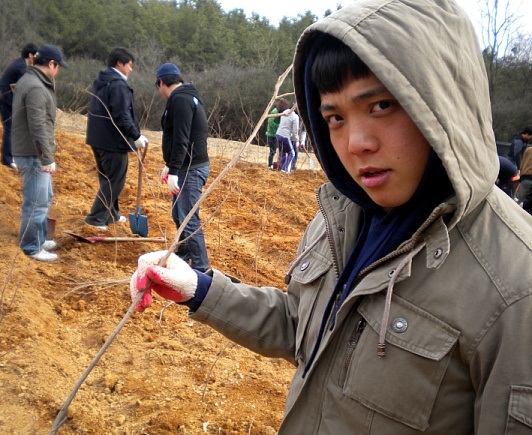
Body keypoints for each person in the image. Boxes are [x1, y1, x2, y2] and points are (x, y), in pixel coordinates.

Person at [129, 1, 532, 433]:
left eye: (381, 105)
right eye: (335, 117)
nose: (355, 142)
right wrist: (199, 288)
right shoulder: (340, 217)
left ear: (444, 103)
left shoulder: (516, 286)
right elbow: (302, 326)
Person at [12, 45, 68, 262]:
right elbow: (37, 126)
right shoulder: (35, 86)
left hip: (31, 150)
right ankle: (31, 246)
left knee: (44, 196)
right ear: (51, 64)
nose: (58, 71)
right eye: (58, 66)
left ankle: (39, 238)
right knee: (36, 201)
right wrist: (46, 157)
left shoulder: (32, 80)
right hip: (32, 153)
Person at [85, 48, 148, 231]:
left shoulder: (103, 81)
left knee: (107, 178)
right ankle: (95, 219)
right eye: (129, 65)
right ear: (119, 63)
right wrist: (135, 136)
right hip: (113, 141)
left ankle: (111, 214)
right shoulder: (118, 85)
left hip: (98, 138)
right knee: (115, 181)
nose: (131, 69)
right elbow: (122, 115)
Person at [155, 62, 210, 272]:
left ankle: (202, 267)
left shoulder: (181, 100)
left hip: (192, 168)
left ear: (161, 83)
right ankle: (185, 253)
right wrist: (170, 166)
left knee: (188, 218)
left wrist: (174, 171)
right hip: (187, 166)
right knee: (179, 215)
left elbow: (181, 139)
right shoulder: (184, 97)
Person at [0, 43, 38, 169]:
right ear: (30, 55)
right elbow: (21, 88)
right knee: (10, 128)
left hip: (6, 98)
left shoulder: (22, 64)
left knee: (13, 127)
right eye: (36, 55)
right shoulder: (21, 67)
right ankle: (7, 159)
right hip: (3, 98)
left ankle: (10, 156)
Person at [275, 99, 298, 174]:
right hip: (285, 136)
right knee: (292, 153)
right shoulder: (295, 117)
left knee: (282, 152)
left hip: (278, 134)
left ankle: (281, 168)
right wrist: (296, 139)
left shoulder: (284, 113)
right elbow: (295, 131)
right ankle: (285, 169)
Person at [265, 103, 280, 169]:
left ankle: (272, 164)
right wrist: (278, 127)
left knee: (274, 151)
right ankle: (270, 164)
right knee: (272, 151)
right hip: (272, 136)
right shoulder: (274, 113)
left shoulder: (278, 112)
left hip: (275, 135)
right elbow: (271, 122)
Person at [518, 146, 532, 214]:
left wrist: (520, 179)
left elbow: (522, 164)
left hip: (525, 178)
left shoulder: (528, 150)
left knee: (520, 203)